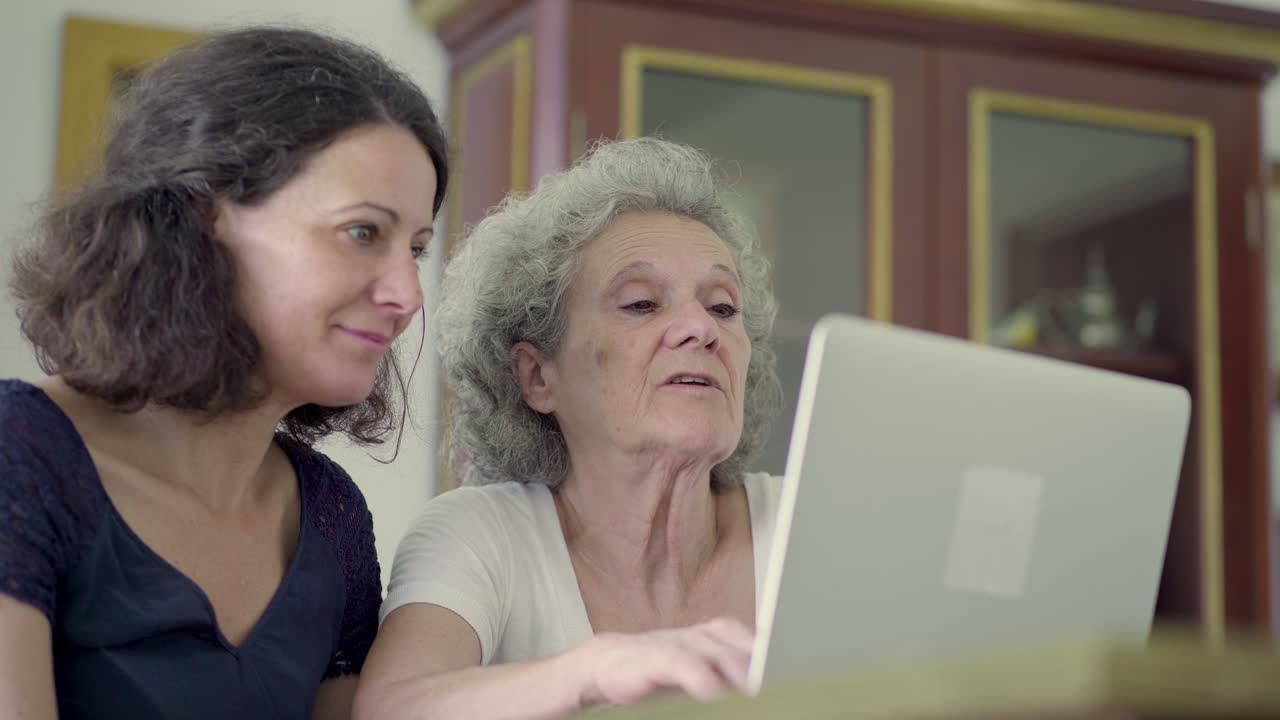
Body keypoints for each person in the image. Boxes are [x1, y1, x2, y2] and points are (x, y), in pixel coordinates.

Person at [0, 26, 447, 720]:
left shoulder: (330, 515)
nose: (408, 294)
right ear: (201, 214)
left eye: (415, 249)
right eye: (364, 232)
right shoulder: (19, 458)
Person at [355, 137, 784, 719]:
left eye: (723, 307)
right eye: (640, 303)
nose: (699, 328)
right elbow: (391, 710)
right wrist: (595, 670)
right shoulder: (482, 535)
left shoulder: (808, 522)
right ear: (537, 376)